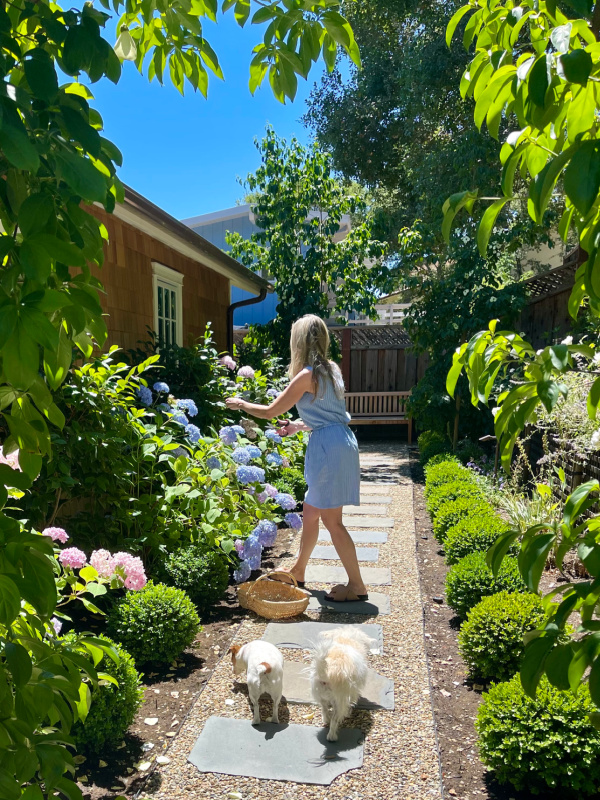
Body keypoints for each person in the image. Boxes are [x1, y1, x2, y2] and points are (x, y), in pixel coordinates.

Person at [225, 314, 367, 602]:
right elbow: (329, 416)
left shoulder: (306, 375)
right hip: (338, 440)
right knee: (312, 512)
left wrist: (240, 403)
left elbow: (269, 412)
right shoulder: (332, 370)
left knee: (332, 521)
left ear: (298, 342)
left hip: (329, 448)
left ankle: (357, 586)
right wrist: (299, 426)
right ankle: (299, 570)